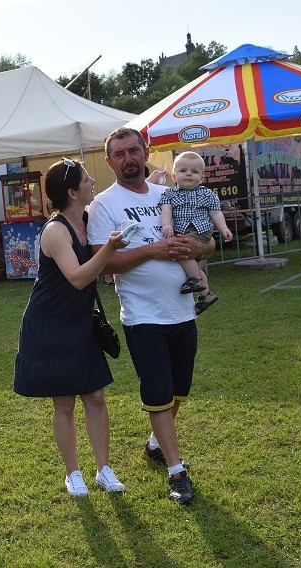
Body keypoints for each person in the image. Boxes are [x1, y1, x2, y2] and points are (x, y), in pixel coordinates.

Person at [87, 127, 215, 505]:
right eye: (119, 154)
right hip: (143, 317)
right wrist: (154, 250)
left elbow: (206, 242)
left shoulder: (170, 193)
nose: (128, 159)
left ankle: (157, 444)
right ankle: (177, 472)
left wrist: (199, 246)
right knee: (158, 394)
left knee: (179, 391)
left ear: (146, 153)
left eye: (133, 151)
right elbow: (104, 263)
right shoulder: (105, 206)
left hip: (182, 310)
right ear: (110, 162)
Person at [14, 158, 128, 497]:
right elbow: (78, 278)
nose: (93, 181)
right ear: (72, 192)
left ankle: (104, 469)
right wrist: (109, 249)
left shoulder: (89, 219)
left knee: (95, 396)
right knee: (64, 401)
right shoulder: (55, 230)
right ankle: (72, 472)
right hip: (49, 324)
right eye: (87, 179)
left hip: (80, 322)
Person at [159, 151, 232, 312]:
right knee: (193, 263)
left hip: (201, 230)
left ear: (201, 177)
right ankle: (206, 294)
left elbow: (216, 213)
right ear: (174, 176)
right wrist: (166, 225)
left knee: (182, 251)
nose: (188, 174)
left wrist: (224, 228)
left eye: (194, 172)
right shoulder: (169, 193)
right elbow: (166, 209)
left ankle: (195, 280)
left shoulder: (207, 194)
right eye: (183, 171)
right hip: (182, 230)